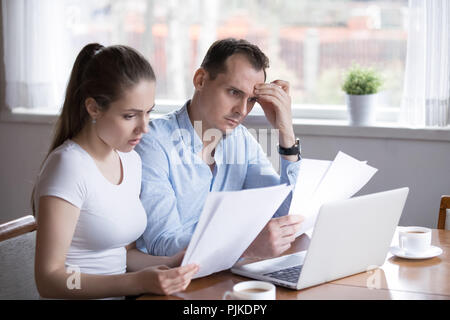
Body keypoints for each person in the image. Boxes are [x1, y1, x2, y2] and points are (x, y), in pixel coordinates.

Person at [32, 43, 199, 299]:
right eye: (130, 116)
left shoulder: (129, 160)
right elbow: (50, 278)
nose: (144, 128)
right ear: (94, 108)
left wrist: (173, 262)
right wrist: (136, 283)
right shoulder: (68, 167)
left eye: (149, 112)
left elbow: (124, 255)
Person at [135, 38, 304, 259]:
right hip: (171, 283)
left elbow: (284, 215)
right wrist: (245, 244)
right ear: (201, 80)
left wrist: (285, 131)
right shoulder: (154, 143)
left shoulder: (241, 140)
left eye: (252, 99)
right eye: (234, 92)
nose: (242, 110)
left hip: (224, 275)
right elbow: (162, 243)